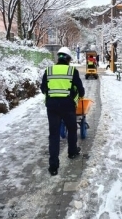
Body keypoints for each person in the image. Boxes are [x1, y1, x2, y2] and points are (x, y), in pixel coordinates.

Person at [40, 47, 85, 176]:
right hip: (68, 106)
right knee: (71, 129)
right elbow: (81, 91)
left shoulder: (48, 70)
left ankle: (53, 166)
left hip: (52, 107)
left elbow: (43, 88)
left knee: (53, 135)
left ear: (58, 57)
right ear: (69, 59)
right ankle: (72, 152)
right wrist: (75, 93)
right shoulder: (72, 71)